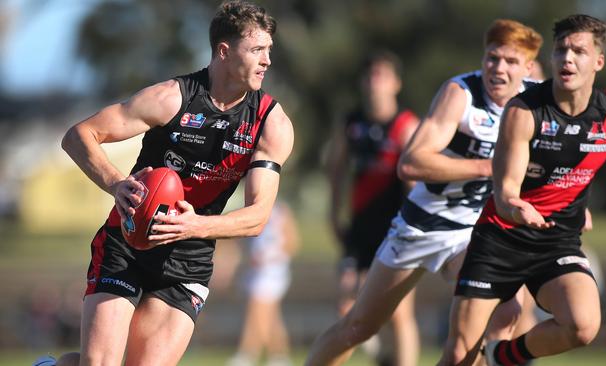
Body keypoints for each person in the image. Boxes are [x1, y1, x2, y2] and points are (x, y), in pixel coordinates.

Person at [34, 1, 293, 365]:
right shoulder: (172, 98)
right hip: (127, 243)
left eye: (269, 50)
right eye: (256, 50)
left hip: (188, 259)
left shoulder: (270, 123)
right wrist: (115, 183)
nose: (266, 60)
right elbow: (80, 136)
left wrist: (194, 226)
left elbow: (258, 216)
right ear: (224, 50)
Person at [307, 19, 543, 366]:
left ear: (528, 67)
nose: (498, 68)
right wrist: (484, 167)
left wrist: (571, 202)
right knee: (358, 327)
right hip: (422, 225)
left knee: (505, 312)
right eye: (492, 57)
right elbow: (411, 163)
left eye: (510, 61)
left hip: (474, 232)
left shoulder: (537, 100)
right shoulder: (460, 94)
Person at [439, 14, 606, 366]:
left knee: (583, 325)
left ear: (598, 61)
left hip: (557, 243)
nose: (567, 58)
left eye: (578, 51)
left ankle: (502, 356)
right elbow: (505, 192)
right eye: (561, 50)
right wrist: (517, 207)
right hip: (501, 240)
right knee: (459, 355)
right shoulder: (524, 111)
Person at [326, 50, 420, 365]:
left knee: (400, 311)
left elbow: (417, 182)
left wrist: (415, 225)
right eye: (369, 75)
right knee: (345, 304)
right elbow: (337, 170)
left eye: (381, 75)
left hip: (396, 227)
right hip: (360, 226)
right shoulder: (351, 123)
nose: (374, 81)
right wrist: (333, 212)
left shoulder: (407, 125)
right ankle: (375, 354)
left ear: (396, 83)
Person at [226, 201, 300, 366]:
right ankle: (279, 356)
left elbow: (292, 243)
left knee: (257, 312)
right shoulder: (256, 208)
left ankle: (247, 353)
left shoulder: (281, 211)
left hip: (273, 271)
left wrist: (269, 257)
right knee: (270, 316)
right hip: (257, 271)